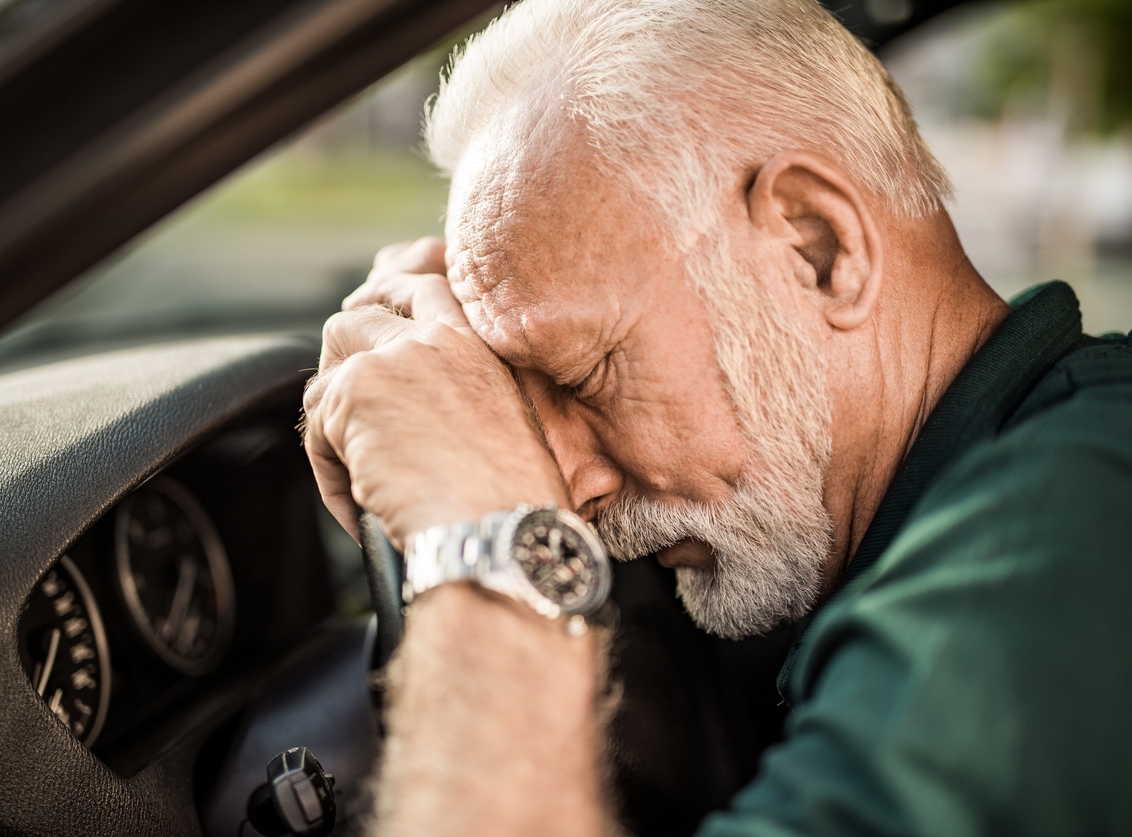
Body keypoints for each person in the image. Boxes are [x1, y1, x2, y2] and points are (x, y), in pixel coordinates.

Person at [301, 0, 1132, 834]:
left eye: (587, 376)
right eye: (523, 400)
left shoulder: (1068, 523)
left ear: (818, 249)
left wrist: (478, 526)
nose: (569, 489)